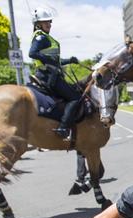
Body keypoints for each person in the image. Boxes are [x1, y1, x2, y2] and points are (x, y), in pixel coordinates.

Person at [28, 7, 81, 139]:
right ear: (38, 24)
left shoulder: (47, 38)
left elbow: (55, 61)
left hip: (51, 74)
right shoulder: (41, 37)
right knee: (75, 98)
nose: (49, 24)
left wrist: (69, 60)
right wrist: (48, 59)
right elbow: (32, 53)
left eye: (50, 22)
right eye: (45, 22)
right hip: (48, 76)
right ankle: (63, 128)